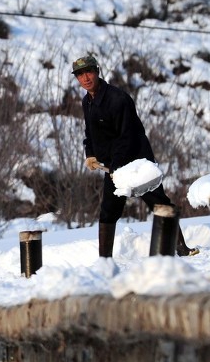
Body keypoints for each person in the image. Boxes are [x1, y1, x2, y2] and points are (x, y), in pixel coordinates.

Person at [71, 54, 195, 258]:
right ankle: (105, 260)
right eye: (80, 75)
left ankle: (181, 248)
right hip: (113, 168)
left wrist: (116, 166)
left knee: (159, 204)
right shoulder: (88, 102)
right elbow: (90, 133)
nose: (85, 78)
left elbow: (127, 136)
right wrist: (90, 154)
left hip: (137, 164)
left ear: (97, 71)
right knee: (108, 213)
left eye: (88, 72)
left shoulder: (118, 99)